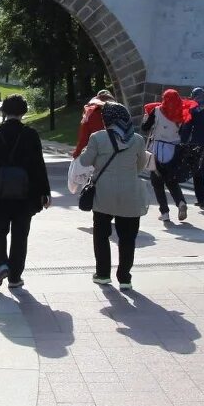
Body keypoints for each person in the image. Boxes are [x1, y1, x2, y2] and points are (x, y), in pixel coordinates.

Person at [0, 94, 51, 289]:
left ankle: (1, 262)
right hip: (25, 192)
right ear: (23, 111)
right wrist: (45, 192)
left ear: (4, 111)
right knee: (20, 234)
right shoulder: (31, 134)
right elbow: (39, 165)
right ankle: (15, 277)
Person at [78, 103, 150, 290]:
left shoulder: (98, 138)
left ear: (106, 119)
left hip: (103, 194)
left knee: (101, 235)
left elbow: (85, 161)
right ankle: (125, 277)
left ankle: (102, 274)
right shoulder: (137, 140)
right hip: (130, 195)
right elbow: (140, 166)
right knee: (128, 238)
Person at [141, 89, 194, 223]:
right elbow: (184, 132)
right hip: (174, 150)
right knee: (171, 180)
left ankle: (165, 213)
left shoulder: (157, 110)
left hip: (158, 149)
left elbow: (145, 127)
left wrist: (146, 118)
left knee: (157, 182)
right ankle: (181, 202)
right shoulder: (182, 112)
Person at [71, 89, 114, 158]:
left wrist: (77, 153)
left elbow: (83, 138)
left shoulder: (90, 114)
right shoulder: (120, 113)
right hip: (118, 151)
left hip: (98, 153)